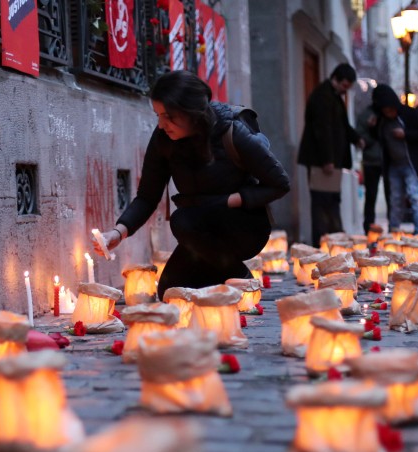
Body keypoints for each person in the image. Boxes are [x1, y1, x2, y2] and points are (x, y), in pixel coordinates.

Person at [92, 70, 291, 299]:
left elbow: (280, 183)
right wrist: (118, 232)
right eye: (157, 115)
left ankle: (241, 276)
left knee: (182, 219)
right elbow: (147, 196)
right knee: (170, 291)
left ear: (192, 113)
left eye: (168, 116)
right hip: (200, 233)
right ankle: (225, 283)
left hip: (242, 226)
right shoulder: (163, 140)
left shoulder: (232, 132)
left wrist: (231, 200)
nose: (161, 124)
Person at [297, 63, 364, 246]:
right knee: (321, 202)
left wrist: (356, 138)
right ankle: (323, 241)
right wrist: (327, 159)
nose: (345, 91)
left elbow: (341, 125)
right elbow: (322, 130)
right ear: (337, 79)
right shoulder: (322, 96)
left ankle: (335, 240)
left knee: (333, 200)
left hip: (332, 161)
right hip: (322, 162)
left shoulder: (334, 97)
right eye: (344, 86)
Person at [371, 84, 418, 235]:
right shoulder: (381, 121)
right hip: (394, 165)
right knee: (395, 200)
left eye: (390, 110)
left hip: (413, 164)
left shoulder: (410, 114)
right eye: (385, 111)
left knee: (416, 197)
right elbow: (378, 139)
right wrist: (372, 127)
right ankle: (394, 232)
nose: (389, 113)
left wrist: (406, 134)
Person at [356, 103, 390, 234]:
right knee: (370, 196)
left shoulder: (388, 114)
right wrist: (373, 130)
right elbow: (360, 137)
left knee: (391, 196)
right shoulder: (367, 114)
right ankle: (369, 229)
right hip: (371, 160)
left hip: (387, 160)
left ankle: (392, 229)